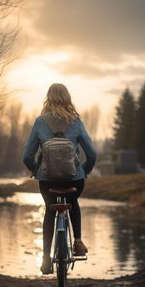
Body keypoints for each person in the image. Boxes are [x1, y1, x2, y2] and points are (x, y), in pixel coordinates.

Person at [23, 83, 96, 274]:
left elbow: (26, 156)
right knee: (73, 202)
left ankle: (46, 259)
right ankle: (78, 241)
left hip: (47, 181)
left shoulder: (40, 122)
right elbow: (92, 154)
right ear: (67, 98)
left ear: (48, 98)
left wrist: (36, 170)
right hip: (74, 179)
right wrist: (83, 171)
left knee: (50, 210)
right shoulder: (77, 121)